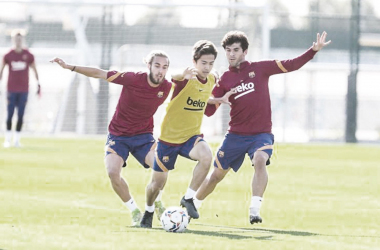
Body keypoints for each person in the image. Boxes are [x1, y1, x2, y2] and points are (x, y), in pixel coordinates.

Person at [194, 31, 331, 224]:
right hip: (234, 136)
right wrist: (205, 93)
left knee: (260, 159)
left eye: (235, 50)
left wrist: (313, 51)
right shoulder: (224, 79)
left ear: (245, 51)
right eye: (228, 50)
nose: (231, 54)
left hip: (261, 134)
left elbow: (291, 64)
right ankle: (192, 206)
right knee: (216, 176)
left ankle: (254, 210)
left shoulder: (260, 68)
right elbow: (208, 110)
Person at [50, 50, 172, 226]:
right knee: (113, 172)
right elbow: (99, 73)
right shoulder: (132, 78)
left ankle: (156, 201)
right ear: (149, 66)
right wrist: (70, 67)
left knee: (161, 166)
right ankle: (135, 212)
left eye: (165, 67)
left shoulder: (166, 87)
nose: (161, 70)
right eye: (157, 65)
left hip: (143, 137)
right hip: (119, 135)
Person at [140, 40, 236, 228]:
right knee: (156, 185)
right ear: (194, 62)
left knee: (207, 157)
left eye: (210, 63)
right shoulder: (184, 79)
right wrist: (181, 74)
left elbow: (203, 99)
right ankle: (149, 210)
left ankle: (189, 198)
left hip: (191, 137)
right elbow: (175, 77)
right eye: (203, 63)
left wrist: (218, 100)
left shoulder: (211, 79)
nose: (207, 67)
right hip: (168, 140)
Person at [0, 30, 40, 147]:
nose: (18, 41)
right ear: (13, 40)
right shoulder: (8, 55)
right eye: (16, 39)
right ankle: (7, 139)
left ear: (22, 40)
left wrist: (38, 83)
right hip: (11, 89)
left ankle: (17, 140)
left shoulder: (28, 55)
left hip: (24, 90)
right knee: (10, 114)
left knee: (21, 114)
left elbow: (34, 69)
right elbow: (1, 71)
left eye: (20, 39)